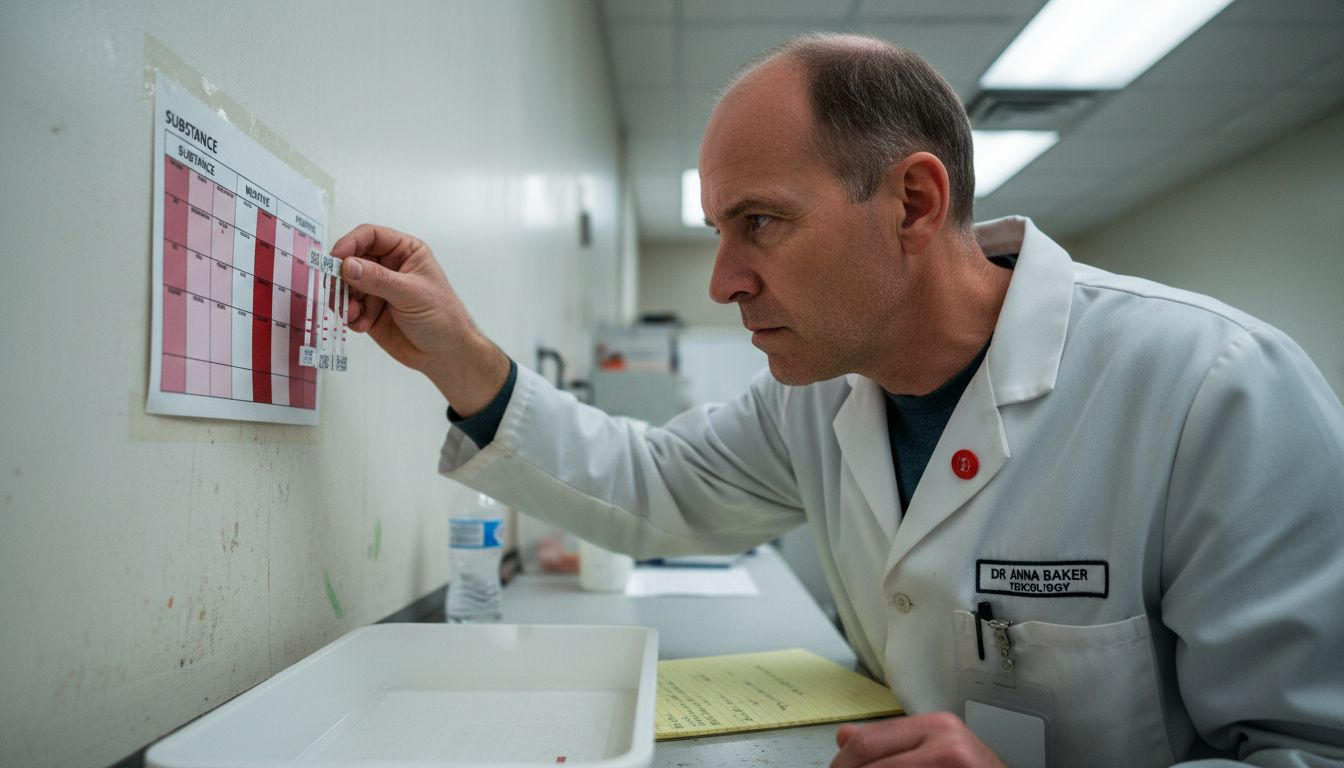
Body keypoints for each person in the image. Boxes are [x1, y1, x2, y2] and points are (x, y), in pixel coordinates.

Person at [331, 33, 1344, 768]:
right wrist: (456, 353)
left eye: (760, 222)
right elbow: (646, 487)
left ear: (913, 203)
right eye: (719, 229)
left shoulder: (1212, 389)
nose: (724, 281)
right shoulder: (816, 399)